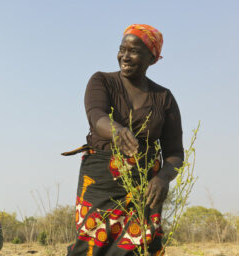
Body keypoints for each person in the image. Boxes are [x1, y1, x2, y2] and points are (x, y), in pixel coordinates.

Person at [65, 24, 183, 255]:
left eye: (134, 51)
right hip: (101, 181)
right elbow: (96, 116)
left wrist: (163, 179)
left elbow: (175, 153)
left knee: (138, 246)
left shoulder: (164, 98)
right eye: (122, 49)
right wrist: (116, 130)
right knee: (90, 244)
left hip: (146, 186)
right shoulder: (102, 81)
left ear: (152, 57)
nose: (125, 56)